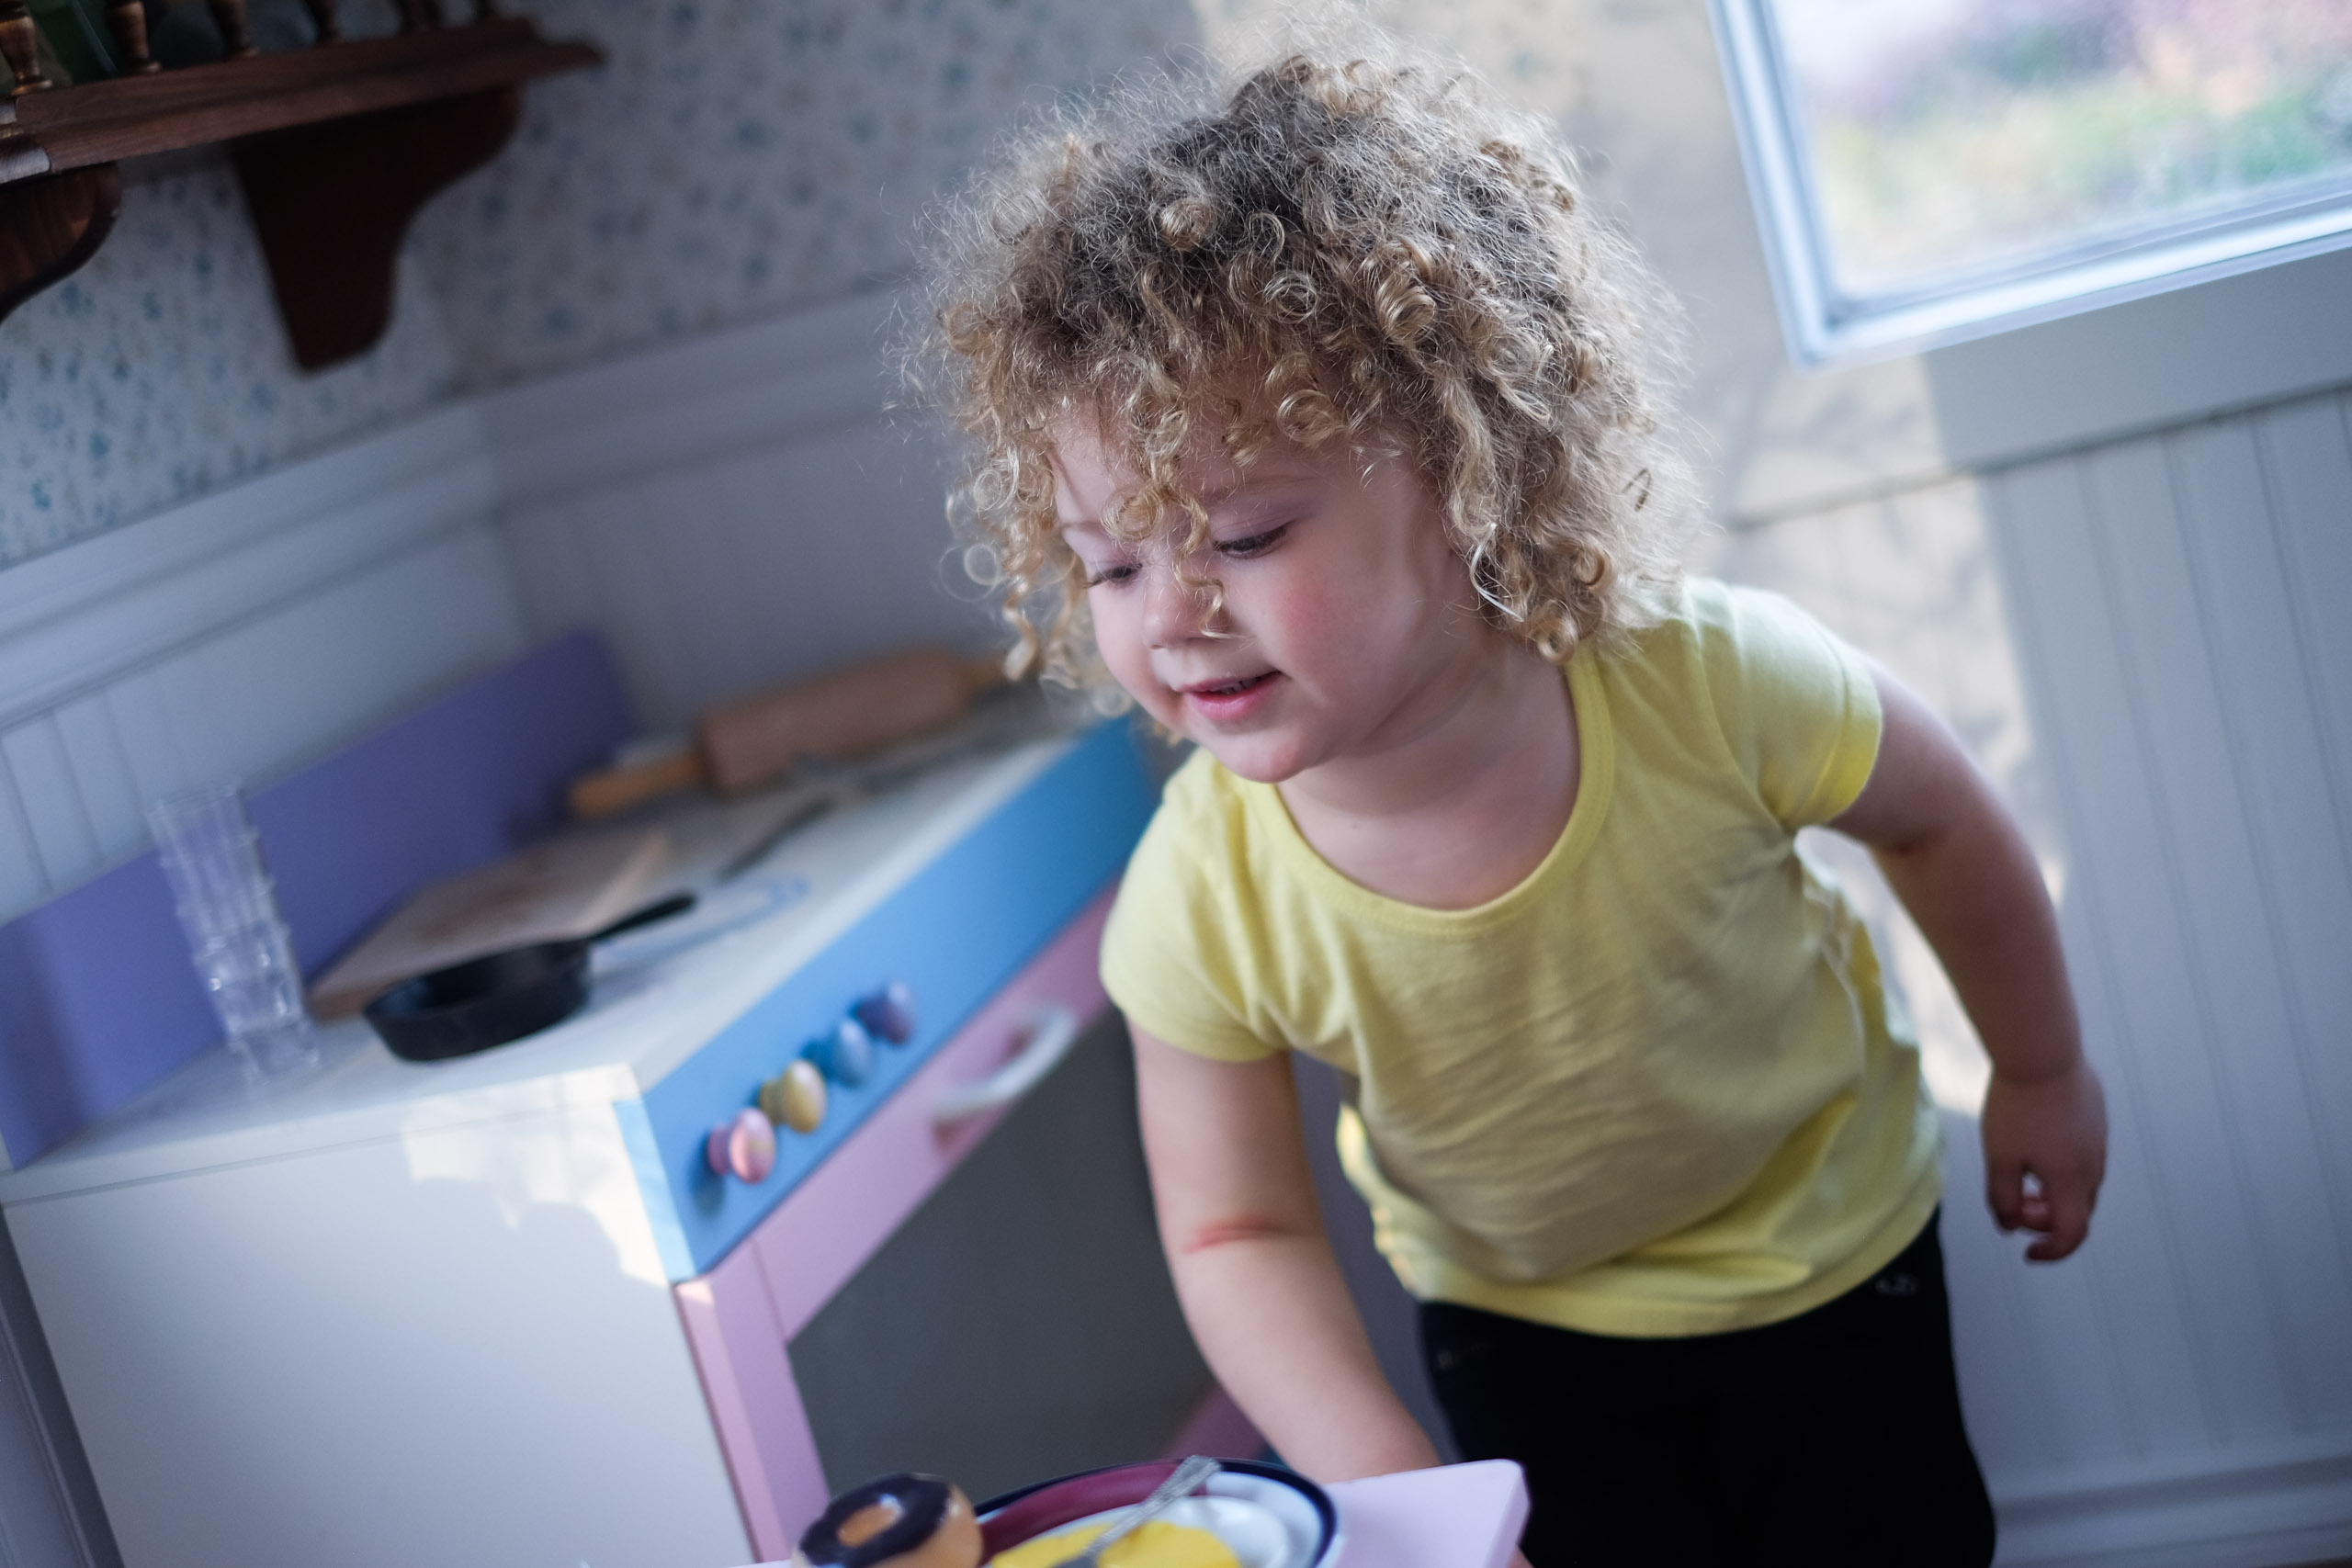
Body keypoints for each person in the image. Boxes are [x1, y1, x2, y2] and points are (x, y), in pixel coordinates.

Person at [916, 35, 2108, 1568]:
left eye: (1246, 534)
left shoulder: (1708, 683)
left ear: (1470, 466)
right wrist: (1399, 1488)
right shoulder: (1202, 894)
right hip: (1522, 1335)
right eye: (1113, 562)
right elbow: (1236, 1230)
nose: (1172, 615)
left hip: (1829, 1255)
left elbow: (1942, 818)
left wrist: (2041, 1071)